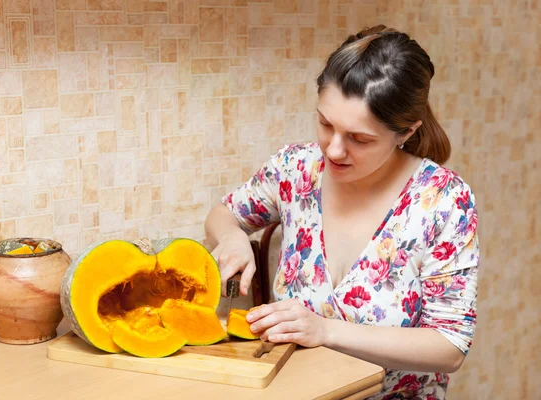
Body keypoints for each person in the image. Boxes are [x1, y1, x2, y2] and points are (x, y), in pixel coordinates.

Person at [204, 24, 480, 399]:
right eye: (325, 124)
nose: (333, 150)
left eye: (359, 138)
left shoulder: (444, 201)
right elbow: (224, 214)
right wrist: (234, 236)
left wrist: (325, 330)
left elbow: (449, 347)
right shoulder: (296, 169)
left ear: (406, 132)